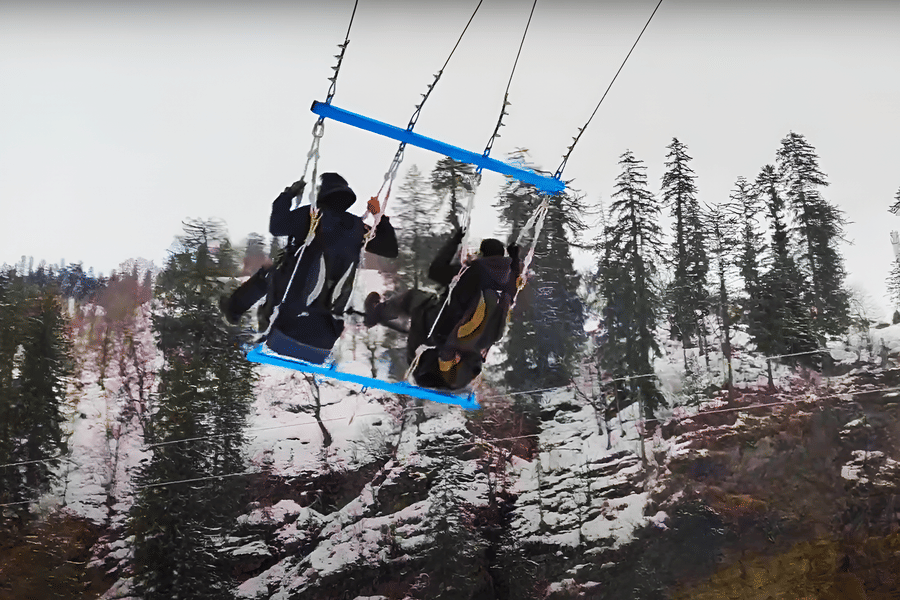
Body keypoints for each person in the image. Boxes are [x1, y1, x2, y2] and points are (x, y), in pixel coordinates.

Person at [220, 172, 398, 363]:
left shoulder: (312, 215)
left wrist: (286, 196)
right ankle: (236, 310)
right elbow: (390, 249)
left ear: (321, 195)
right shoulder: (356, 227)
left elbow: (276, 226)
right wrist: (379, 216)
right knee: (282, 275)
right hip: (325, 335)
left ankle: (233, 309)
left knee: (269, 275)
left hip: (292, 318)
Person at [364, 229, 522, 390]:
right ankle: (443, 370)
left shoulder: (472, 270)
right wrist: (514, 258)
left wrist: (454, 241)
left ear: (482, 254)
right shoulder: (510, 279)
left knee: (413, 299)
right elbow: (515, 273)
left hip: (446, 330)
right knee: (432, 312)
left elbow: (436, 271)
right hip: (476, 342)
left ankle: (376, 313)